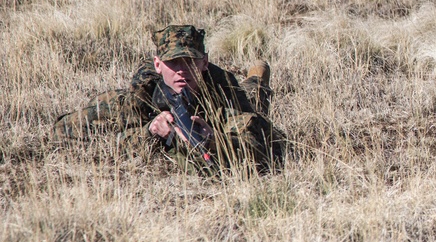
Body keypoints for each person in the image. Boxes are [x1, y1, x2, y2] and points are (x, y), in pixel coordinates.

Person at [54, 24, 284, 173]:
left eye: (189, 62)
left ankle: (257, 75)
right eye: (173, 63)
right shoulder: (140, 97)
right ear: (157, 64)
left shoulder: (223, 89)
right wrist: (149, 131)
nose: (182, 70)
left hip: (225, 102)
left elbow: (273, 144)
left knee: (255, 97)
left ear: (204, 62)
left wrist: (215, 139)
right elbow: (63, 128)